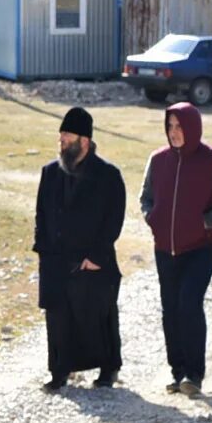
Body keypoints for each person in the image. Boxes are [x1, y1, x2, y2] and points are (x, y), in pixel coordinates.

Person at [138, 103, 212, 397]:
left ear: (193, 128)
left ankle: (194, 375)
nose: (174, 132)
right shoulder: (158, 160)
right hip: (165, 249)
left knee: (189, 303)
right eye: (170, 126)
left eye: (179, 126)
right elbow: (145, 197)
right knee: (170, 310)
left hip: (201, 248)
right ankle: (178, 372)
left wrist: (205, 222)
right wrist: (153, 218)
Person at [33, 107, 125, 392]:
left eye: (67, 138)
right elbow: (41, 214)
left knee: (97, 315)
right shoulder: (50, 173)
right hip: (56, 260)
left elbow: (114, 219)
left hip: (92, 261)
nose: (61, 143)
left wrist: (95, 257)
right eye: (60, 137)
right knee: (59, 318)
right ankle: (59, 372)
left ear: (84, 141)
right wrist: (44, 252)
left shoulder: (108, 176)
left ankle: (108, 369)